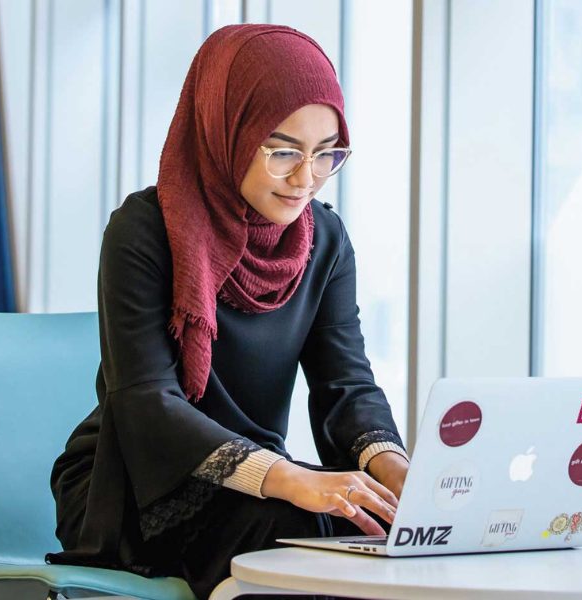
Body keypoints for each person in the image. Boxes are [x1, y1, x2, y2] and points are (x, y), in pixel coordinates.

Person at [45, 23, 410, 599]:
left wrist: (397, 474)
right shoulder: (143, 232)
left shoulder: (326, 241)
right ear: (228, 129)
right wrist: (287, 479)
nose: (305, 178)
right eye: (283, 151)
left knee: (372, 525)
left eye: (326, 154)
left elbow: (346, 385)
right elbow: (147, 403)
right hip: (132, 485)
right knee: (297, 531)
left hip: (258, 480)